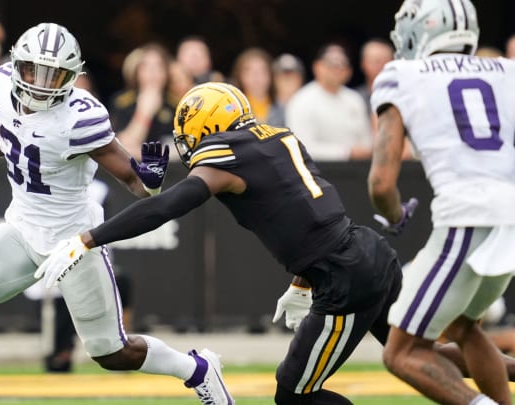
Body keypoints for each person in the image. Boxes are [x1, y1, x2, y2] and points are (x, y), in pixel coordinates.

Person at [37, 81, 515, 404]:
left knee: (292, 393)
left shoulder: (225, 159)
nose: (186, 141)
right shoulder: (278, 135)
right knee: (415, 354)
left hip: (344, 274)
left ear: (206, 125)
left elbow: (169, 205)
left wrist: (88, 238)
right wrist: (301, 284)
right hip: (366, 251)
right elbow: (305, 212)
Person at [0, 23, 233, 405]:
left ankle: (197, 369)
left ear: (72, 77)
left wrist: (152, 181)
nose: (42, 84)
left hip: (73, 241)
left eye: (55, 75)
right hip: (21, 226)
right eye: (34, 71)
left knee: (112, 353)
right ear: (17, 66)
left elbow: (133, 180)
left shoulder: (79, 119)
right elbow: (9, 126)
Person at [367, 0, 515, 403]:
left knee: (402, 353)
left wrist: (394, 214)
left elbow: (381, 183)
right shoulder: (507, 70)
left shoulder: (402, 75)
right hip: (510, 215)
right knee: (465, 327)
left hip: (467, 215)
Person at [286, 44, 372, 161]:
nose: (336, 69)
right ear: (317, 67)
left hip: (355, 171)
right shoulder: (301, 100)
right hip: (317, 172)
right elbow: (301, 147)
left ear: (349, 71)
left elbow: (366, 143)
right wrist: (346, 153)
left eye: (342, 64)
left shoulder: (355, 99)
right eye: (331, 64)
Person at [109, 43, 179, 159]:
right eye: (146, 67)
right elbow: (120, 148)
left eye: (158, 66)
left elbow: (178, 150)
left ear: (166, 72)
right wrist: (144, 113)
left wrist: (140, 153)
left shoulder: (176, 105)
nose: (152, 72)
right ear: (137, 72)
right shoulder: (121, 102)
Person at [229, 47, 275, 123]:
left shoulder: (285, 107)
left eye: (262, 71)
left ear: (271, 75)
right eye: (249, 71)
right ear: (239, 76)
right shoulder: (232, 107)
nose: (256, 76)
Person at [266, 53, 305, 127]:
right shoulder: (265, 108)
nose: (287, 82)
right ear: (275, 80)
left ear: (300, 80)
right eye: (283, 77)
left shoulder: (308, 107)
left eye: (292, 77)